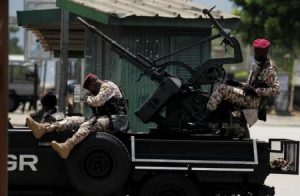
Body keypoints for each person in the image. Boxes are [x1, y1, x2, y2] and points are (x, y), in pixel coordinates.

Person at [26, 73, 127, 159]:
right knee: (71, 119)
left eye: (89, 88)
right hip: (104, 119)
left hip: (115, 121)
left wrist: (85, 97)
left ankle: (67, 146)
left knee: (88, 124)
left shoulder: (107, 86)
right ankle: (43, 128)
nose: (90, 91)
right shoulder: (100, 89)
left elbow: (97, 101)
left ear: (93, 83)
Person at [202, 38, 280, 122]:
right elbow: (249, 86)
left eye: (257, 53)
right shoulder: (258, 65)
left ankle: (204, 117)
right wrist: (236, 84)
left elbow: (276, 90)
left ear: (263, 54)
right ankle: (215, 119)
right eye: (255, 52)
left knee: (222, 88)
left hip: (253, 100)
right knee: (224, 85)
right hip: (248, 96)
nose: (255, 54)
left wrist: (255, 91)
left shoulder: (269, 69)